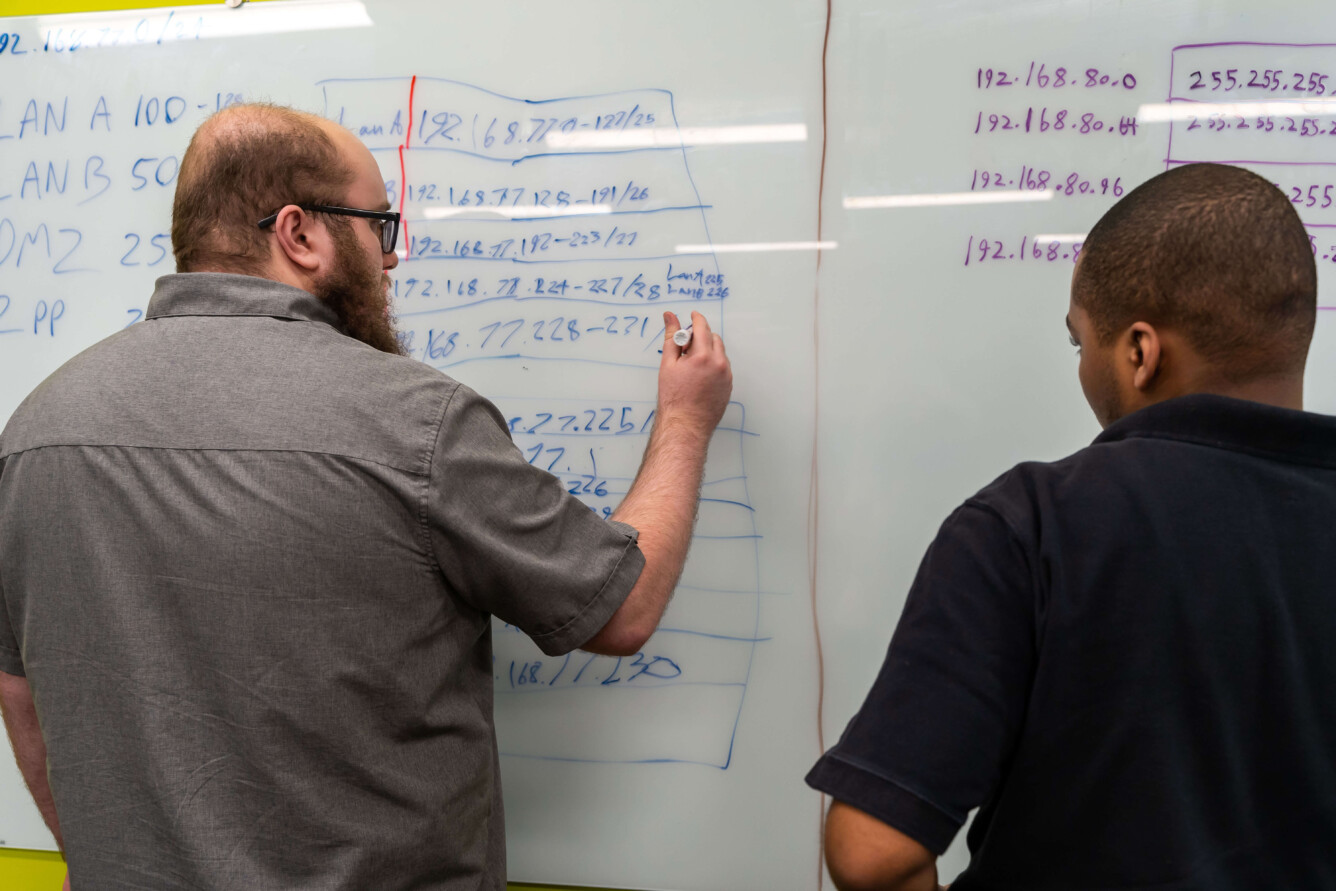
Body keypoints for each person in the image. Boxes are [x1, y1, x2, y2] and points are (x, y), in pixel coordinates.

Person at [0, 103, 732, 890]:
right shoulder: (418, 423)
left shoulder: (37, 429)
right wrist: (686, 422)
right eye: (378, 226)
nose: (390, 260)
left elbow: (20, 686)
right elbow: (620, 610)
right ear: (300, 232)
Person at [807, 163, 1336, 890]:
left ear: (1141, 352)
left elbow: (875, 852)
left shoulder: (1030, 526)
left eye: (1079, 342)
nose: (1083, 365)